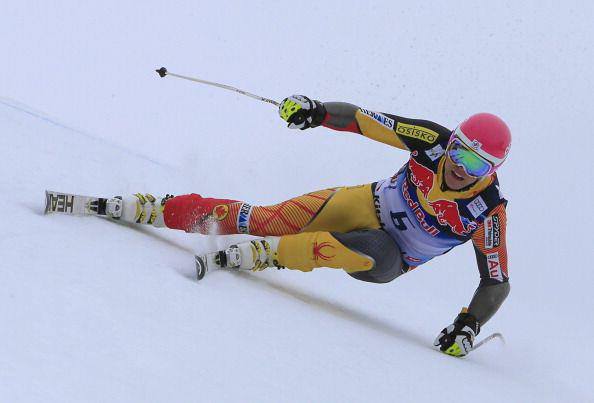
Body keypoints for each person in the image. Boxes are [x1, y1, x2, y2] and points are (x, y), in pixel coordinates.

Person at [105, 95, 511, 357]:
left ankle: (267, 256)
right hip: (364, 204)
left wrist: (467, 326)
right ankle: (160, 209)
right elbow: (364, 120)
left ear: (491, 171)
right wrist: (316, 111)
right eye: (459, 152)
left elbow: (496, 281)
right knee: (267, 219)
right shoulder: (432, 140)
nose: (459, 166)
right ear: (452, 140)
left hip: (391, 258)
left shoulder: (487, 211)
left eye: (475, 164)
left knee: (371, 248)